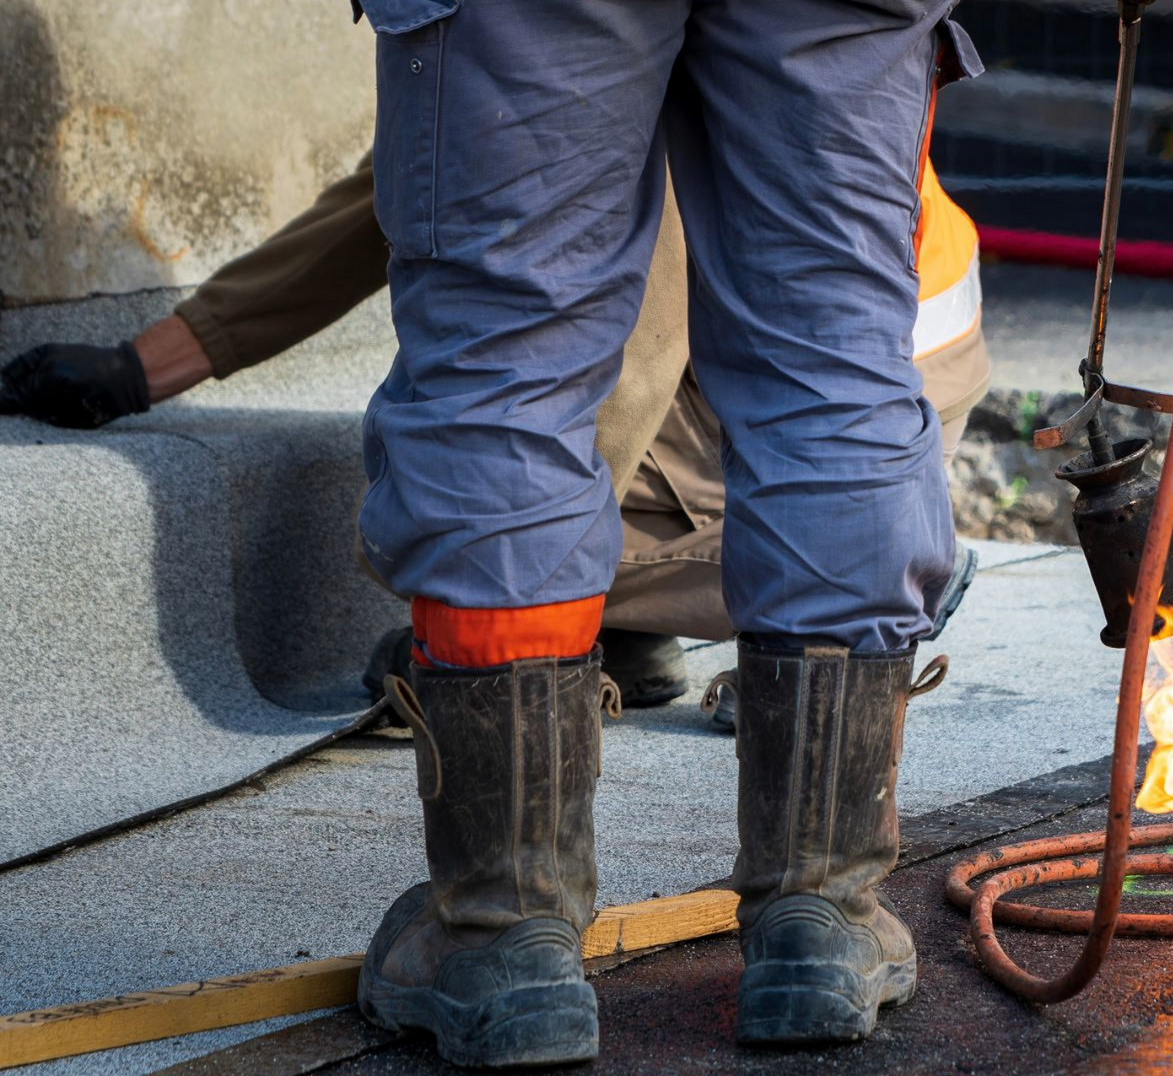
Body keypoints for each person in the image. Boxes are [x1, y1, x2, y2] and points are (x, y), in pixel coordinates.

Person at [1, 153, 990, 733]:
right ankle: (662, 613)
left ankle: (868, 580)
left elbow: (631, 337)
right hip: (845, 384)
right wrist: (149, 364)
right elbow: (407, 183)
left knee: (462, 477)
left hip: (842, 401)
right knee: (469, 456)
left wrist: (500, 626)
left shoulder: (617, 43)